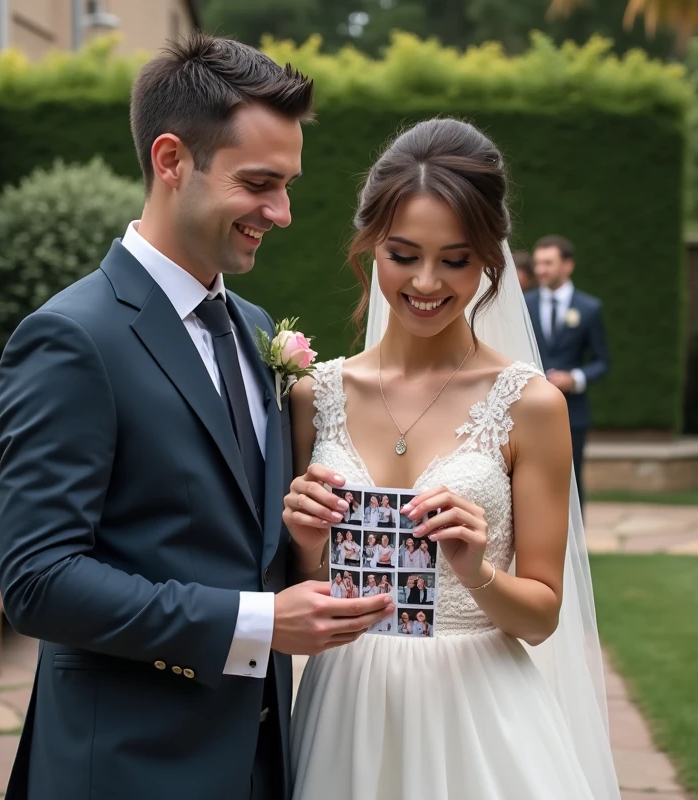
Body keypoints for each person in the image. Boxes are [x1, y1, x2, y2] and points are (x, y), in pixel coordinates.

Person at [0, 34, 393, 800]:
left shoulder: (253, 326)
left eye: (288, 185)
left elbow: (233, 533)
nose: (282, 213)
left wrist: (301, 537)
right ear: (172, 161)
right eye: (259, 184)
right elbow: (38, 581)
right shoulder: (72, 339)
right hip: (127, 767)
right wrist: (258, 624)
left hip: (259, 756)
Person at [283, 118, 619, 799]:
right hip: (346, 708)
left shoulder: (530, 405)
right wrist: (307, 544)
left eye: (456, 260)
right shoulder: (314, 396)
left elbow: (542, 616)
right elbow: (311, 584)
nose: (427, 283)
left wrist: (479, 570)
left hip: (479, 715)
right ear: (370, 245)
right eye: (403, 255)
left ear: (490, 259)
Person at [526, 235, 610, 503]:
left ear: (567, 265)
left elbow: (602, 362)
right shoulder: (524, 305)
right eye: (538, 263)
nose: (540, 270)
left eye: (548, 263)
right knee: (530, 482)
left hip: (572, 413)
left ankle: (576, 545)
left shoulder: (589, 308)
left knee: (572, 484)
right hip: (528, 412)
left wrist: (574, 379)